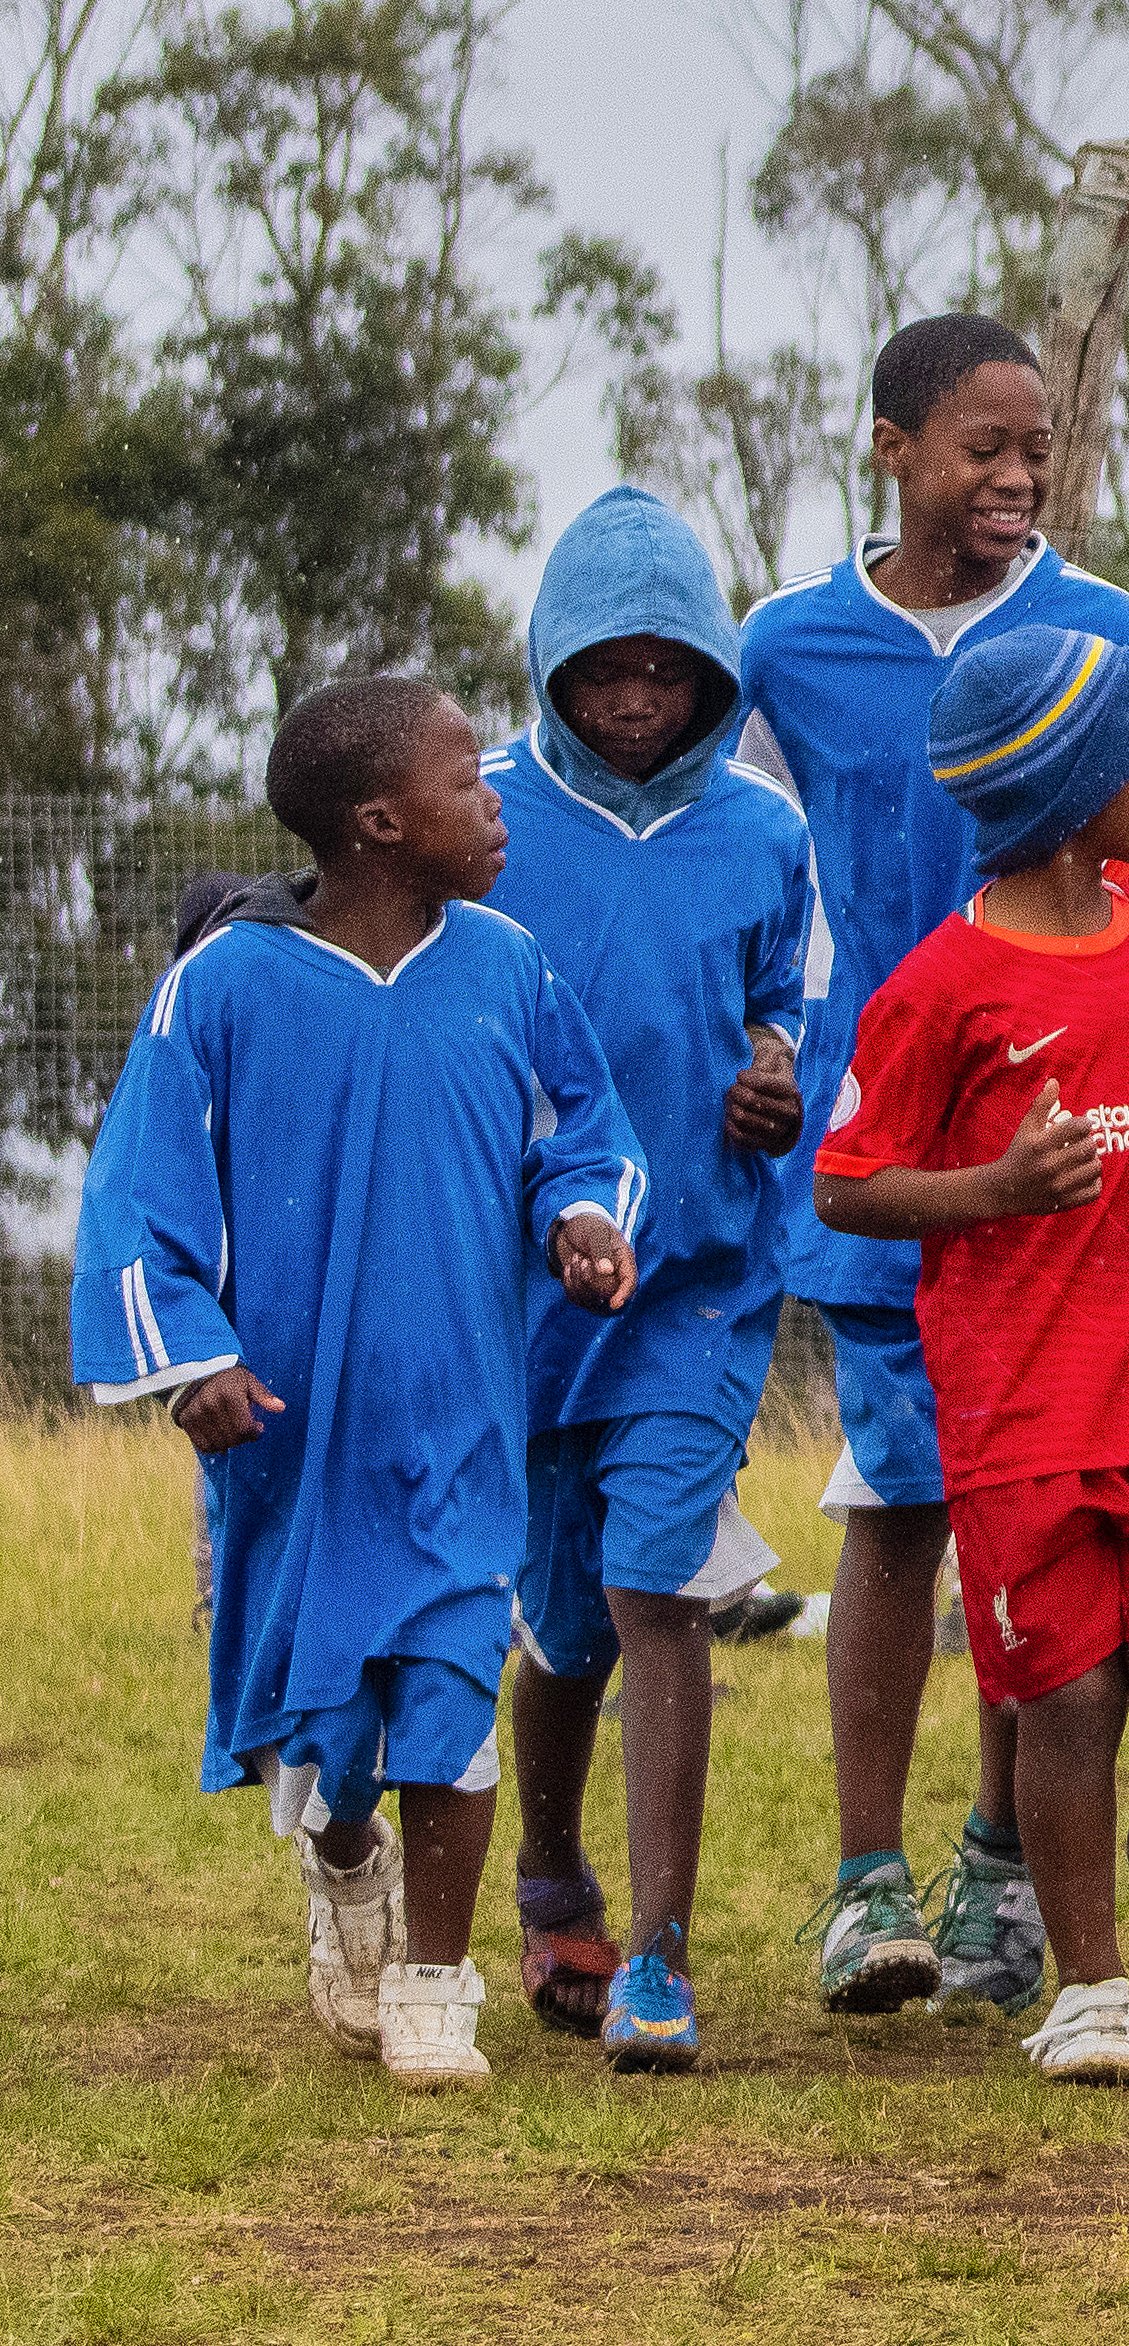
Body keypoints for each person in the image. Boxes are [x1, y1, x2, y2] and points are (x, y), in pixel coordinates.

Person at [75, 677, 646, 2094]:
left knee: (452, 1686)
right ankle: (345, 1864)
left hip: (457, 1423)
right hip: (290, 1441)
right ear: (382, 822)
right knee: (327, 1732)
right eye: (470, 780)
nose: (497, 799)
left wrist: (584, 1221)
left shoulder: (510, 967)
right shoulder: (223, 987)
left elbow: (584, 1131)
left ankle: (438, 1986)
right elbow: (138, 1201)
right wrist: (191, 1364)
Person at [739, 311, 1129, 2019]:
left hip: (1067, 1153)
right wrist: (766, 1047)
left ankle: (1004, 1864)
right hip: (885, 1143)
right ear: (891, 446)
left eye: (1036, 449)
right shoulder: (786, 649)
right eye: (981, 447)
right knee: (900, 1497)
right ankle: (866, 1885)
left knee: (1043, 1510)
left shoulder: (1106, 630)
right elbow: (756, 881)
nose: (1013, 478)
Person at [811, 629, 1129, 2085]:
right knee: (1064, 1698)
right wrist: (995, 1194)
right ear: (1076, 795)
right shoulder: (942, 987)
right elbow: (846, 1182)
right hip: (1018, 1414)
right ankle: (1089, 1989)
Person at [481, 486, 815, 2074]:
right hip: (524, 1299)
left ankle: (662, 1961)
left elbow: (785, 1011)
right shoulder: (480, 821)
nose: (632, 699)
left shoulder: (764, 828)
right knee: (562, 1625)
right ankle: (552, 1867)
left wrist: (772, 1074)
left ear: (709, 675)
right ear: (553, 667)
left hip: (698, 1278)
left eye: (665, 670)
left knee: (657, 1580)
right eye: (602, 669)